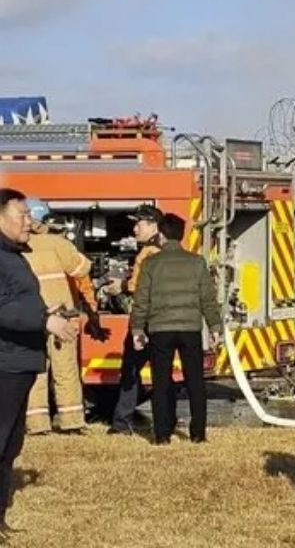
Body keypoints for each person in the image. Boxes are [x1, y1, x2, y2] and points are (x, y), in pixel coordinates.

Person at [0, 189, 79, 536]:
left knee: (10, 447)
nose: (29, 223)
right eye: (22, 215)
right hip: (5, 363)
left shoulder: (15, 256)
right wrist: (44, 321)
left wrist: (45, 312)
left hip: (21, 361)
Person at [130, 213, 223, 444]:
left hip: (160, 329)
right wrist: (214, 326)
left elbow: (142, 299)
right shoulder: (196, 262)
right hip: (190, 328)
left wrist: (137, 329)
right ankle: (198, 433)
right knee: (195, 382)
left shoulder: (151, 263)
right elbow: (208, 299)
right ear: (181, 235)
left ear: (160, 234)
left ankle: (162, 434)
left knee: (161, 383)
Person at [23, 199, 98, 435]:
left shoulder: (17, 246)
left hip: (32, 317)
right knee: (65, 370)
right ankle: (72, 421)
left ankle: (36, 424)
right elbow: (81, 268)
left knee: (36, 371)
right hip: (63, 317)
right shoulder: (56, 242)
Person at [109, 204, 165, 435]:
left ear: (152, 225)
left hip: (144, 320)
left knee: (131, 371)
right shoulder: (169, 248)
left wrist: (119, 286)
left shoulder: (147, 253)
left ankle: (121, 424)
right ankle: (164, 424)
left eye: (139, 224)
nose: (134, 229)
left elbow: (137, 286)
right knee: (161, 374)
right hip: (164, 320)